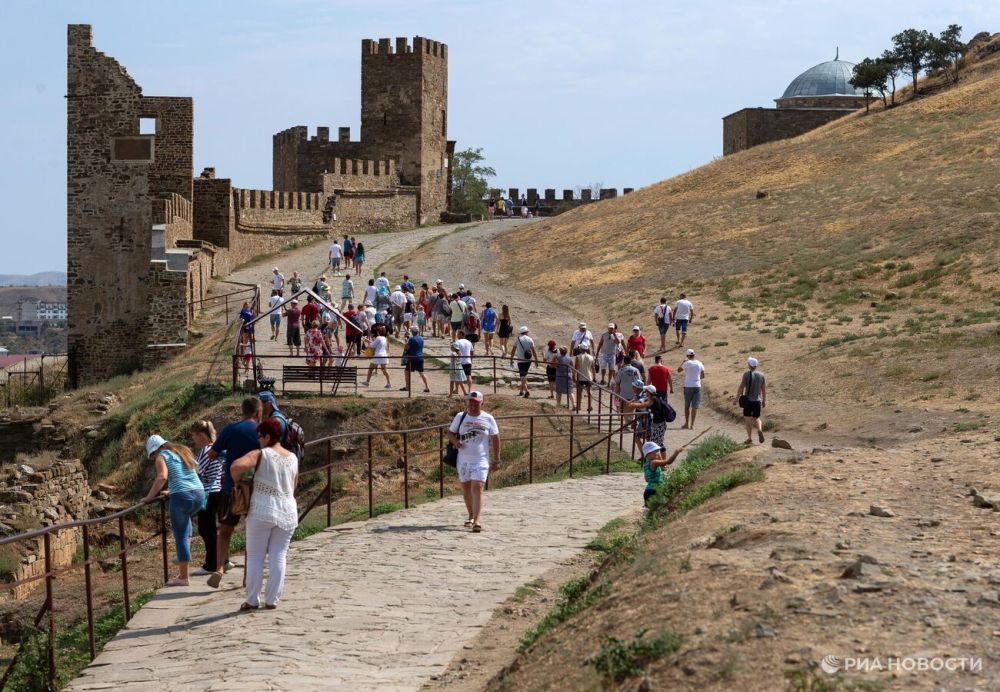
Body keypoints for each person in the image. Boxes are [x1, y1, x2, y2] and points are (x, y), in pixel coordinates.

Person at [231, 418, 298, 611]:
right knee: (279, 555)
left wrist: (239, 482)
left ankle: (252, 599)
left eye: (260, 436)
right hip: (287, 510)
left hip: (262, 509)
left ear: (267, 436)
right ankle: (272, 600)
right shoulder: (292, 457)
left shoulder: (261, 454)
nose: (258, 440)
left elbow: (236, 467)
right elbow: (294, 483)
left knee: (255, 556)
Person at [206, 397, 261, 589]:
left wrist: (226, 454)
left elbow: (212, 454)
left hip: (231, 488)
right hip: (255, 489)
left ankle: (219, 567)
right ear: (258, 413)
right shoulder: (262, 431)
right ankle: (248, 575)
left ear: (243, 411)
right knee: (252, 532)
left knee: (225, 530)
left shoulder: (231, 429)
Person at [141, 435, 206, 586]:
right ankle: (184, 570)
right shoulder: (181, 451)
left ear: (155, 450)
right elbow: (189, 475)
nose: (153, 458)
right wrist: (171, 491)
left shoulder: (161, 456)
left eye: (151, 455)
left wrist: (149, 497)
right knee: (187, 528)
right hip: (198, 494)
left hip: (182, 497)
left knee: (181, 535)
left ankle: (183, 577)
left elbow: (162, 477)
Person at [448, 391, 501, 533]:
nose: (472, 406)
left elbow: (496, 439)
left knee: (477, 487)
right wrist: (455, 442)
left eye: (476, 403)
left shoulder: (488, 418)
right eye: (470, 403)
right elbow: (450, 433)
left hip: (481, 459)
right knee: (466, 488)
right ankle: (470, 515)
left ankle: (477, 520)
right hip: (463, 459)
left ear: (481, 403)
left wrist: (497, 459)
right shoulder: (460, 417)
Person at [191, 420, 222, 576]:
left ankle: (211, 564)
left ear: (200, 435)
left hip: (208, 493)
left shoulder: (205, 451)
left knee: (206, 529)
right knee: (213, 528)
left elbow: (197, 471)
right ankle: (223, 559)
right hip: (218, 491)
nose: (194, 440)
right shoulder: (217, 448)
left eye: (194, 436)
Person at [736, 357, 767, 444]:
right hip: (757, 400)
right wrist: (764, 400)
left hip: (748, 400)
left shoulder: (746, 374)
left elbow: (741, 387)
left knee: (747, 419)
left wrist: (736, 398)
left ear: (749, 365)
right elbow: (764, 390)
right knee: (757, 418)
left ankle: (749, 438)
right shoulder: (761, 375)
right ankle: (760, 430)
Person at [641, 441, 681, 507]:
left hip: (648, 491)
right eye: (656, 451)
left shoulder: (645, 464)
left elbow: (647, 479)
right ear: (649, 453)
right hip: (654, 491)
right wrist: (676, 452)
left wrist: (659, 477)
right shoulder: (654, 462)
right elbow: (668, 462)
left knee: (650, 512)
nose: (658, 453)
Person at [678, 348, 705, 430]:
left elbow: (679, 370)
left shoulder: (687, 363)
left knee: (687, 406)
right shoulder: (700, 363)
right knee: (694, 406)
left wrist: (683, 362)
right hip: (697, 386)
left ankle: (686, 423)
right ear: (694, 355)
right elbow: (703, 375)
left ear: (687, 356)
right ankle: (692, 425)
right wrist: (696, 378)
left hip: (688, 386)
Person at [510, 325, 537, 397]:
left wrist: (511, 359)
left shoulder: (518, 339)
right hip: (528, 360)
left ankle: (526, 391)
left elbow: (513, 350)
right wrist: (536, 361)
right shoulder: (530, 339)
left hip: (521, 360)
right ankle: (521, 391)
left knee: (522, 376)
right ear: (526, 332)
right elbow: (534, 351)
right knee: (524, 375)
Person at [401, 327, 430, 393]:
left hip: (413, 358)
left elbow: (406, 348)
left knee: (407, 371)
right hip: (420, 357)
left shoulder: (411, 339)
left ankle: (407, 386)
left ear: (412, 332)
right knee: (421, 373)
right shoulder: (421, 338)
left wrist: (406, 341)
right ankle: (427, 386)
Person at [574, 347, 595, 413]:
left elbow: (576, 367)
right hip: (588, 376)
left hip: (580, 376)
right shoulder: (591, 357)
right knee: (589, 392)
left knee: (579, 392)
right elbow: (593, 368)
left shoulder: (578, 357)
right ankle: (589, 406)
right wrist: (594, 377)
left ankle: (579, 406)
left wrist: (573, 375)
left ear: (581, 349)